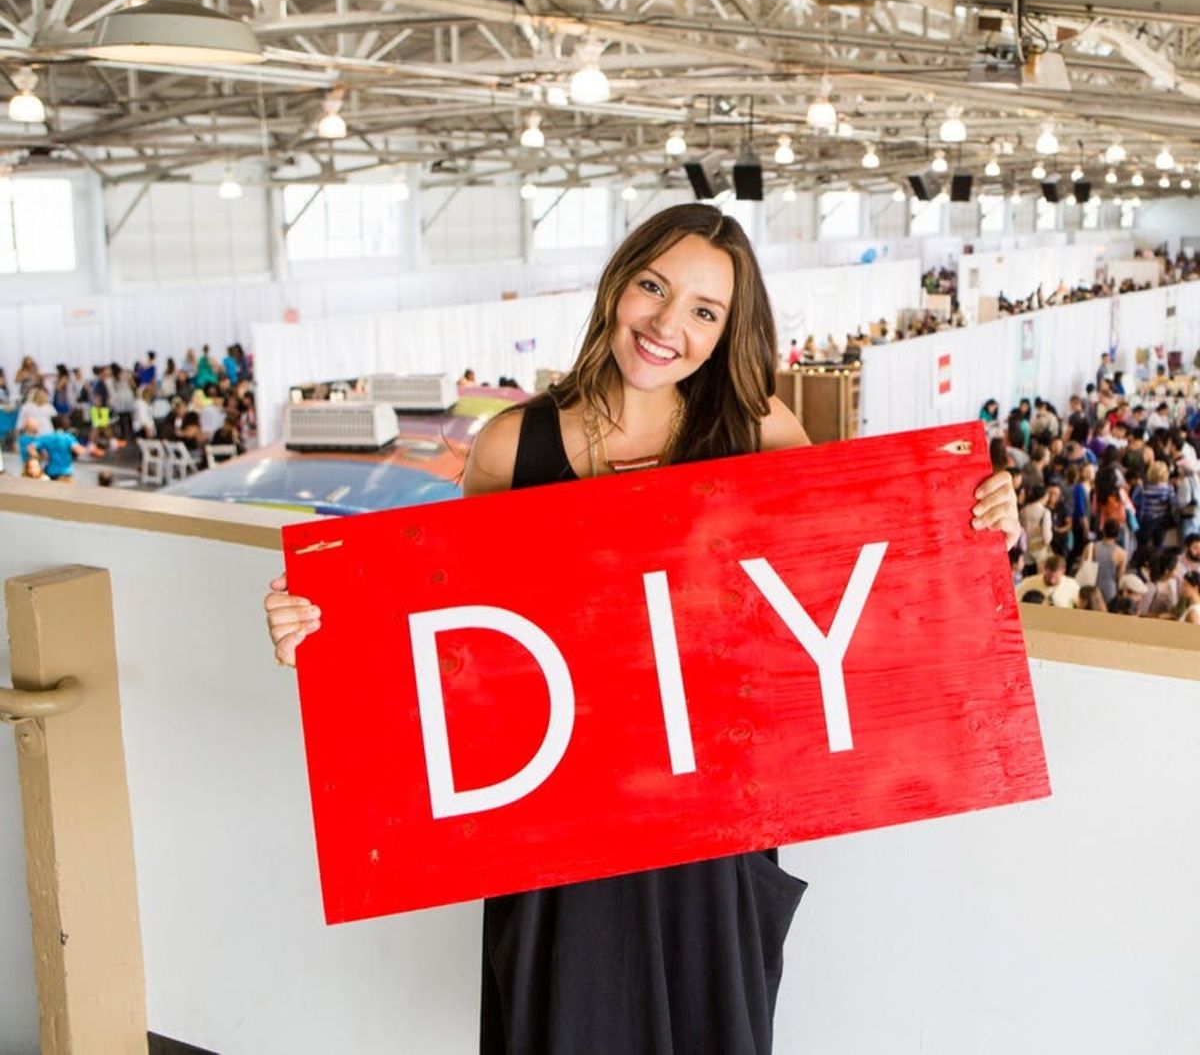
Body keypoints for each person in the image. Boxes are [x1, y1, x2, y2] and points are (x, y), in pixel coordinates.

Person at [261, 204, 1020, 1055]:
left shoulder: (759, 432)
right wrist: (329, 633)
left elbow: (854, 594)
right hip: (559, 853)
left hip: (714, 840)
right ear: (618, 283)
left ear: (727, 332)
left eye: (704, 310)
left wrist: (975, 527)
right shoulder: (512, 446)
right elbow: (457, 645)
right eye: (654, 287)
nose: (667, 325)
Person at [1016, 554, 1081, 609]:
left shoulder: (1072, 585)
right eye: (1049, 576)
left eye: (1055, 577)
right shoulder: (1029, 583)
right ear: (1044, 569)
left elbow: (1081, 606)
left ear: (1063, 571)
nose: (1051, 580)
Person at [35, 416, 87, 482]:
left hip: (50, 471)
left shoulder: (48, 437)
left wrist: (39, 458)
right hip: (65, 472)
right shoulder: (68, 437)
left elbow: (31, 447)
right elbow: (79, 451)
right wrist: (87, 448)